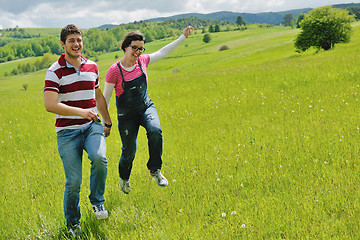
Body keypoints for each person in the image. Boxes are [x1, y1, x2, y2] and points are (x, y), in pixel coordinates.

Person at [103, 26, 193, 194]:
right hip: (127, 116)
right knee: (129, 152)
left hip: (145, 107)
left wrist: (183, 37)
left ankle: (155, 170)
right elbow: (105, 99)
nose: (138, 52)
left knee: (155, 131)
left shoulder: (143, 61)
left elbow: (162, 52)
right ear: (125, 47)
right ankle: (124, 177)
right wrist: (105, 124)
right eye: (134, 47)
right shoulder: (114, 71)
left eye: (141, 48)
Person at [43, 24, 112, 236]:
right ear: (63, 44)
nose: (76, 44)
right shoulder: (54, 71)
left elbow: (98, 96)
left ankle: (97, 201)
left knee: (99, 158)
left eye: (79, 40)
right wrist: (80, 112)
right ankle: (73, 224)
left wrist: (107, 121)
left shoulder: (92, 66)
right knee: (73, 182)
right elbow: (50, 104)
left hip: (92, 126)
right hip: (67, 132)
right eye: (71, 40)